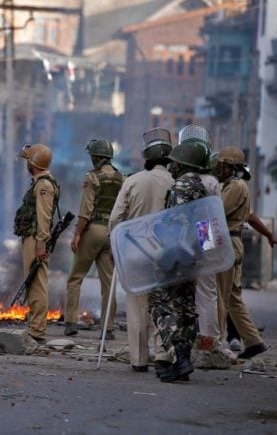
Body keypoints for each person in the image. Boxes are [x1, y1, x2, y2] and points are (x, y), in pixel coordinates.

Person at [109, 127, 174, 373]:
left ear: (147, 158)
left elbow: (116, 219)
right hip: (166, 254)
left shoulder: (132, 181)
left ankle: (138, 359)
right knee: (164, 305)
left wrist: (114, 247)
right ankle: (162, 355)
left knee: (137, 307)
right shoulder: (175, 182)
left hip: (135, 253)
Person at [150, 142, 208, 383]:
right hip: (193, 257)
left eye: (174, 162)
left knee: (161, 305)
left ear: (183, 163)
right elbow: (205, 229)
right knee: (185, 309)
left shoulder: (181, 187)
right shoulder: (202, 188)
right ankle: (183, 361)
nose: (171, 165)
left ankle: (179, 358)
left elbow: (175, 225)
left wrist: (160, 231)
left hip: (175, 255)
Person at [177, 125, 234, 367]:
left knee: (179, 291)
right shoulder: (212, 181)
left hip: (183, 234)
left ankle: (178, 341)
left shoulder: (180, 177)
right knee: (207, 292)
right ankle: (208, 342)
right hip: (206, 231)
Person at [212, 146, 268, 359]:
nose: (219, 169)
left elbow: (216, 212)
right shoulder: (232, 185)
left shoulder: (235, 187)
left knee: (220, 296)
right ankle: (254, 342)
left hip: (228, 242)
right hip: (232, 241)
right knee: (233, 297)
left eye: (222, 165)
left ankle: (215, 343)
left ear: (230, 167)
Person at [64, 139, 123, 339]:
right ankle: (108, 328)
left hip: (94, 230)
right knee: (108, 283)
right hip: (112, 232)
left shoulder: (92, 177)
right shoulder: (121, 178)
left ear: (96, 157)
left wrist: (77, 234)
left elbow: (85, 211)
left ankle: (70, 322)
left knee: (75, 277)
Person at [13, 143, 59, 344]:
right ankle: (35, 325)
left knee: (37, 284)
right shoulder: (40, 183)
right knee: (33, 283)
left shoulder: (43, 186)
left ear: (33, 164)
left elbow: (43, 217)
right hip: (31, 237)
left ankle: (38, 330)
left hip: (35, 239)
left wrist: (41, 243)